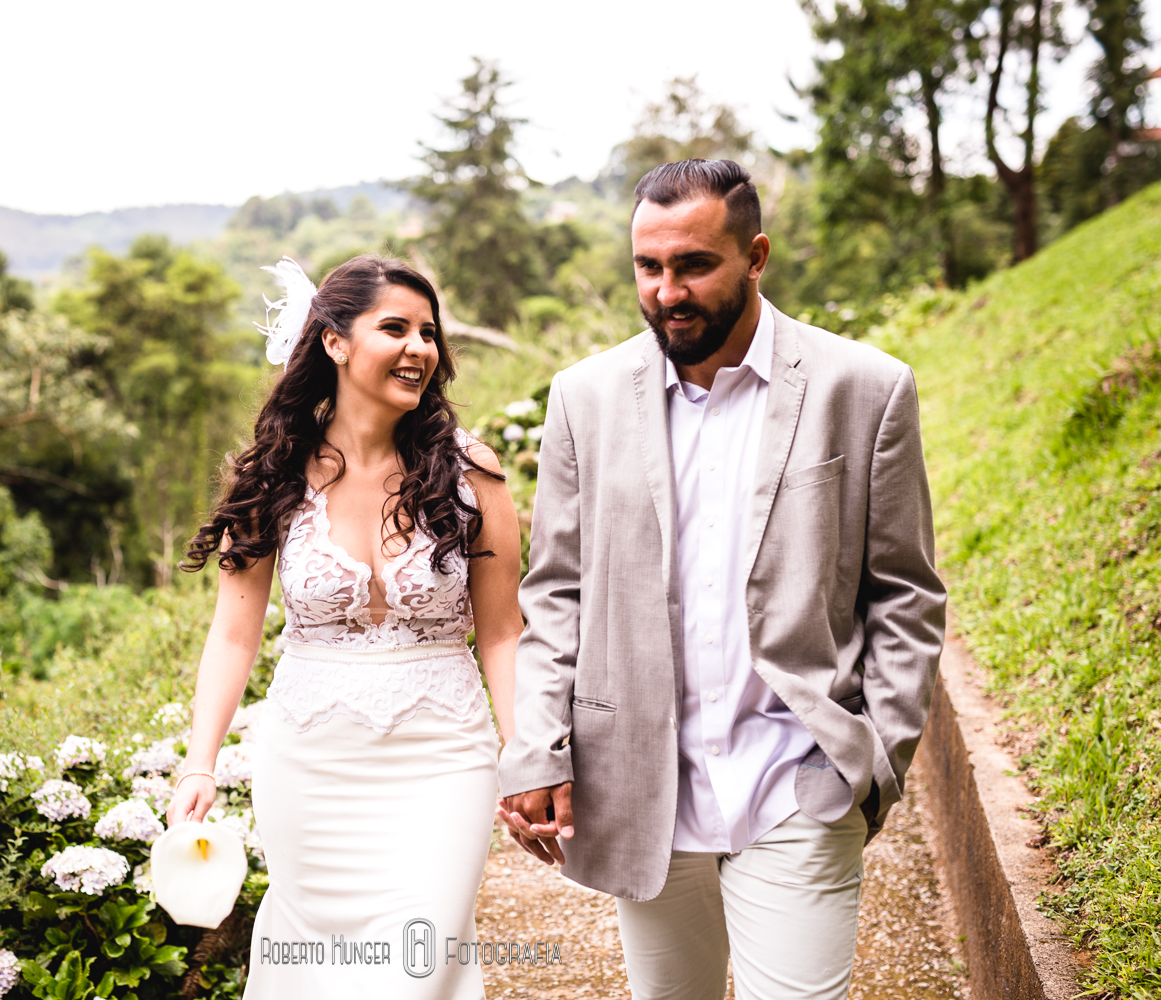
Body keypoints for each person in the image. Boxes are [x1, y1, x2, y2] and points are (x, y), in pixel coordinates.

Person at [497, 159, 947, 1000]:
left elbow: (905, 593)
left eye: (695, 265)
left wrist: (872, 761)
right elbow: (557, 592)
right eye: (648, 266)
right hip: (642, 792)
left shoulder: (865, 388)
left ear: (756, 256)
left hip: (797, 786)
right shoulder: (583, 398)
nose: (668, 292)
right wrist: (537, 749)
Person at [170, 254, 522, 999]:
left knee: (418, 968)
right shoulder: (271, 477)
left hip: (444, 758)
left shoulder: (472, 474)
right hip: (309, 765)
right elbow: (232, 636)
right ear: (333, 341)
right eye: (395, 328)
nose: (419, 348)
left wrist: (523, 749)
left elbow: (501, 633)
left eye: (429, 333)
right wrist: (200, 763)